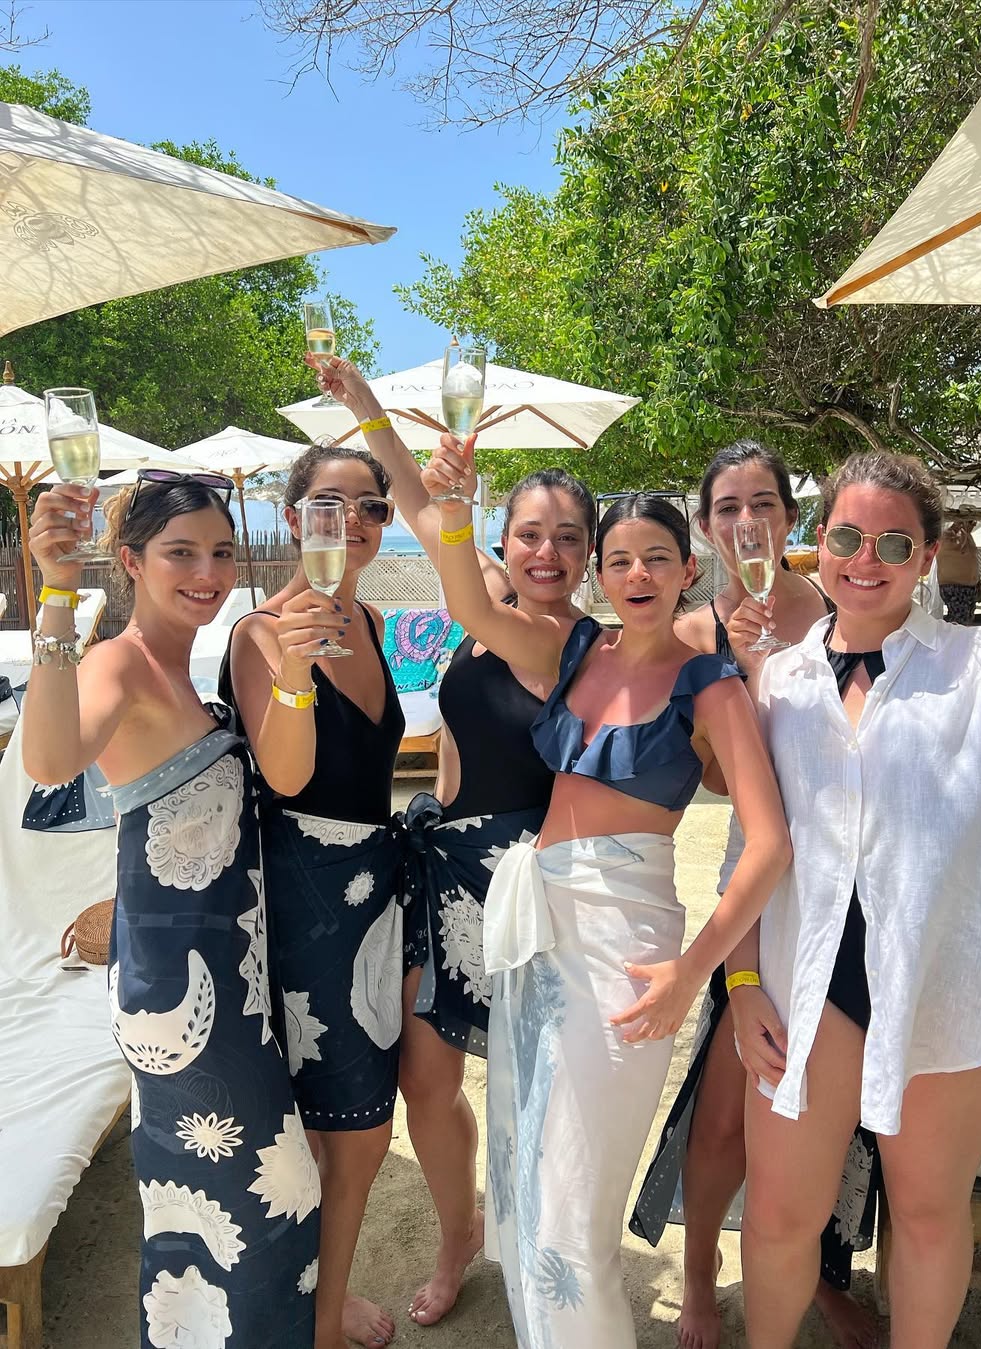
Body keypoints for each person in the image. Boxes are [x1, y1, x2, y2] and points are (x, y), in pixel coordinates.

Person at [422, 432, 792, 1349]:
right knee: (522, 1168)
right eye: (619, 558)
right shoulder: (572, 647)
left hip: (628, 939)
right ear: (599, 569)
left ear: (688, 568)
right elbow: (469, 595)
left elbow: (769, 843)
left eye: (655, 558)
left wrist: (691, 971)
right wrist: (459, 502)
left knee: (575, 1198)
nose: (636, 573)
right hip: (539, 918)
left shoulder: (710, 684)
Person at [740, 450, 981, 1349]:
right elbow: (748, 847)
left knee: (929, 1215)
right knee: (778, 1217)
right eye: (848, 535)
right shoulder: (776, 681)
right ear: (819, 546)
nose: (867, 557)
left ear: (926, 555)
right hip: (805, 988)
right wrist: (740, 988)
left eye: (895, 540)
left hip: (947, 985)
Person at [309, 353, 594, 1327]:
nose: (546, 552)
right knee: (426, 1078)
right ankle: (457, 1230)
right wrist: (371, 412)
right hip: (438, 869)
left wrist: (452, 507)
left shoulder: (571, 641)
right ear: (506, 542)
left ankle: (537, 1249)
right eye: (529, 534)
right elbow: (424, 508)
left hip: (520, 876)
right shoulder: (486, 612)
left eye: (566, 537)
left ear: (588, 550)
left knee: (524, 1082)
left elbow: (444, 534)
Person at [22, 470, 320, 1348]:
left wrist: (296, 664)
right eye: (180, 552)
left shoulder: (188, 669)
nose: (208, 570)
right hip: (174, 997)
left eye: (221, 552)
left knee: (232, 1204)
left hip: (231, 980)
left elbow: (286, 774)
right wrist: (54, 596)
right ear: (130, 560)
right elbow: (47, 761)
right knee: (263, 1193)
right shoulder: (119, 662)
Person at [630, 440, 878, 1349]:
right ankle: (700, 1277)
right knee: (732, 1104)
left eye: (764, 502)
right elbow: (705, 782)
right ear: (704, 525)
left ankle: (816, 1277)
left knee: (838, 1110)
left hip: (857, 888)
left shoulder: (838, 607)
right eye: (728, 507)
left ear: (791, 514)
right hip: (761, 893)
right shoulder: (696, 632)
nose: (748, 522)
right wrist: (732, 681)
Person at [222, 442, 404, 1349]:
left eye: (372, 508)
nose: (354, 525)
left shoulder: (368, 620)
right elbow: (286, 782)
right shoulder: (263, 632)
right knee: (344, 1129)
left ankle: (320, 1307)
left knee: (358, 1128)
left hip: (373, 901)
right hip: (303, 907)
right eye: (329, 507)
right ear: (293, 519)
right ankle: (319, 1322)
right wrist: (294, 674)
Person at [936, 517, 981, 623]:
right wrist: (959, 523)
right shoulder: (946, 538)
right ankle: (947, 638)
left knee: (967, 619)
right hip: (954, 586)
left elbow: (971, 561)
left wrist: (978, 583)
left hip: (970, 587)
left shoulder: (966, 537)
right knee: (959, 620)